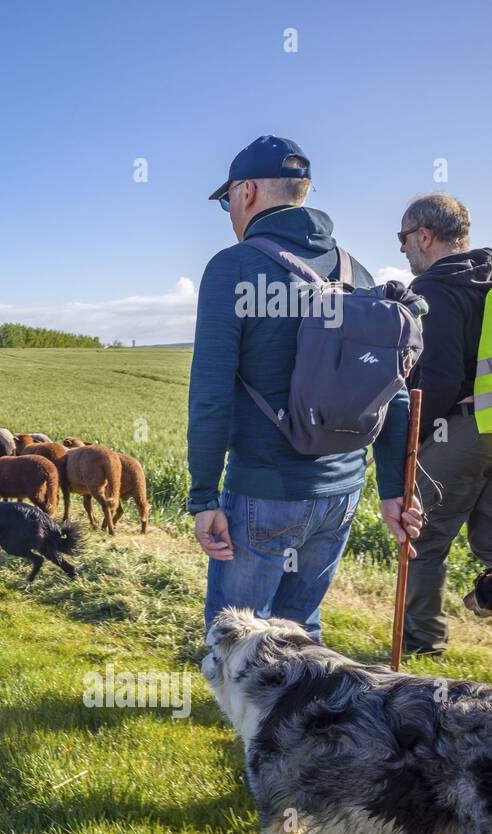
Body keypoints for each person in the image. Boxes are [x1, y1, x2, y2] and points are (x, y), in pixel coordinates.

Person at [188, 135, 422, 641]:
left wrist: (204, 497)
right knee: (299, 636)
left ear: (246, 191)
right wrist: (394, 491)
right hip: (340, 493)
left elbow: (210, 393)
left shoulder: (232, 268)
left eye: (227, 199)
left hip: (264, 492)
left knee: (236, 646)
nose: (229, 210)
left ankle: (249, 721)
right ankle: (300, 721)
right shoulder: (354, 270)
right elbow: (393, 388)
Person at [399, 195, 492, 656]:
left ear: (425, 236)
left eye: (404, 238)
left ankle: (422, 645)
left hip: (461, 427)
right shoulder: (488, 275)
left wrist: (410, 440)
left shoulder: (435, 289)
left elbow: (439, 378)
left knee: (423, 534)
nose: (402, 250)